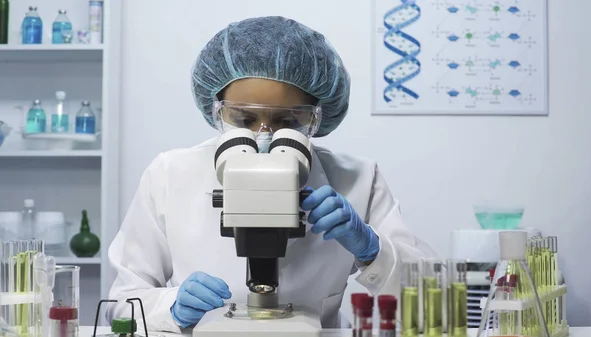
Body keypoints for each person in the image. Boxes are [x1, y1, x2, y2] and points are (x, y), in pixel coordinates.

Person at [106, 16, 439, 332]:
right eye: (243, 119)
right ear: (216, 109)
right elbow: (122, 301)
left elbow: (429, 302)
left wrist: (372, 250)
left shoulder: (358, 178)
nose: (264, 135)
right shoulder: (170, 173)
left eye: (289, 122)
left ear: (316, 118)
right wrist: (170, 305)